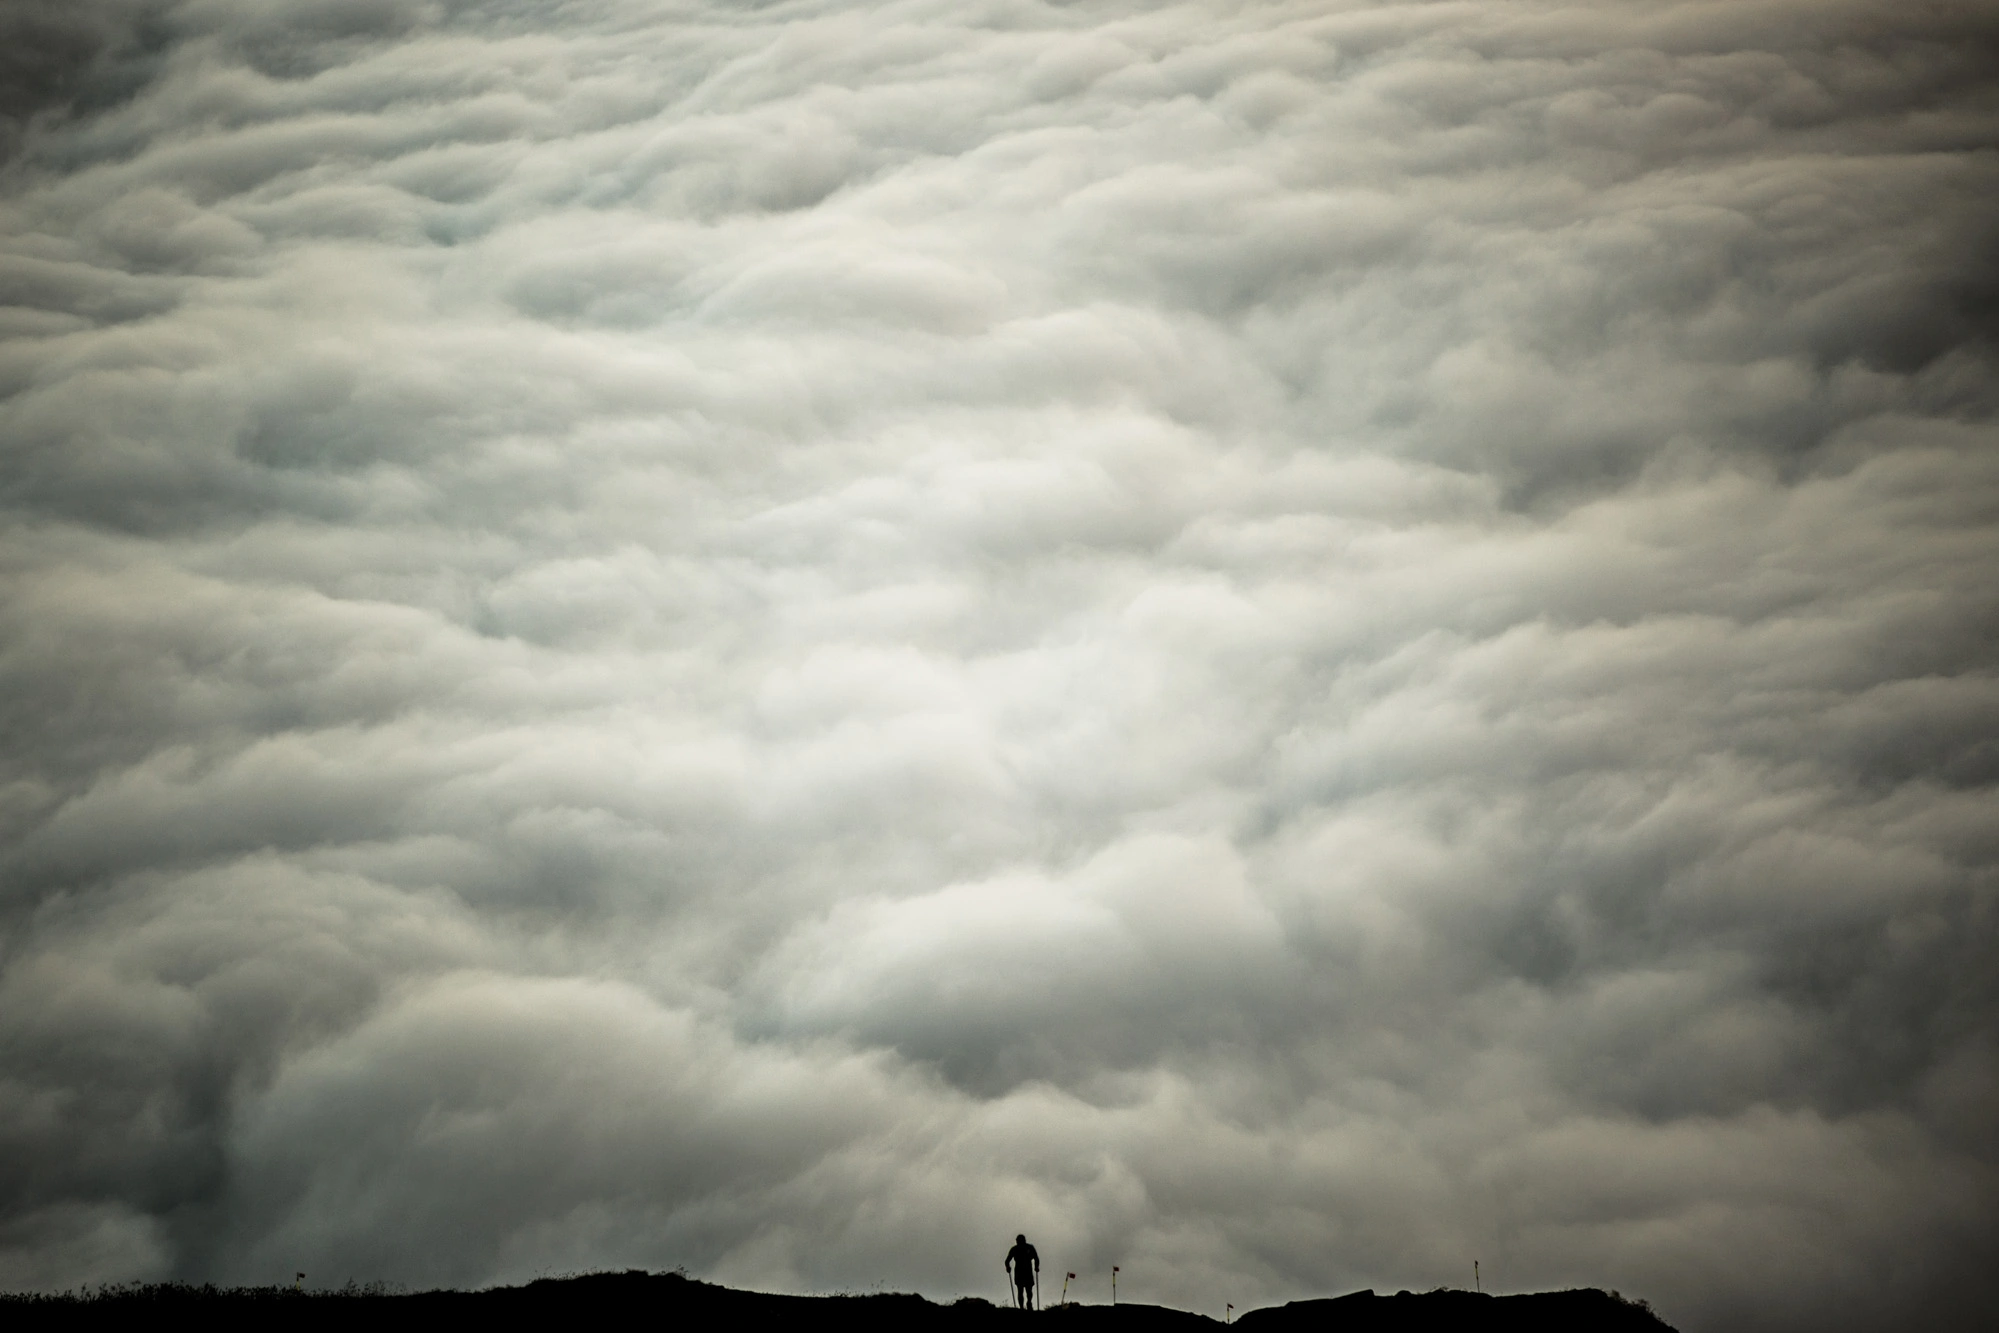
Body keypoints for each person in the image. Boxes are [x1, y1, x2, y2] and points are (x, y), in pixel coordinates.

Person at [1005, 1233, 1040, 1309]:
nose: (1018, 1242)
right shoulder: (1014, 1249)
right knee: (1021, 1290)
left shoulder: (1029, 1247)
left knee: (1028, 1290)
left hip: (1027, 1271)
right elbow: (1007, 1260)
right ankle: (1022, 1306)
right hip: (1019, 1271)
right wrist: (1007, 1267)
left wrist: (1036, 1266)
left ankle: (1028, 1302)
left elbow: (1036, 1258)